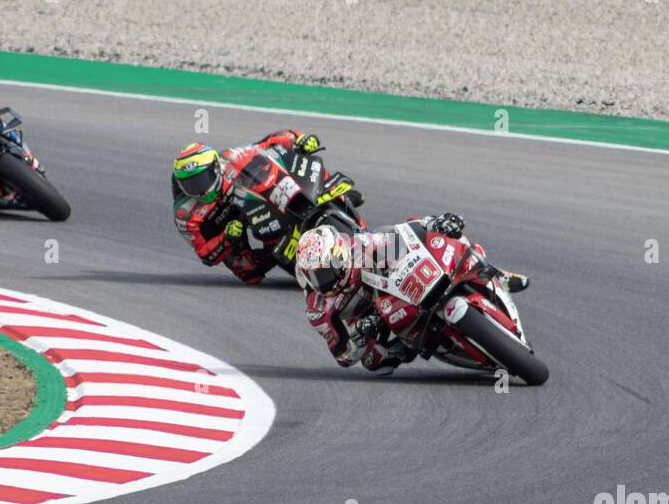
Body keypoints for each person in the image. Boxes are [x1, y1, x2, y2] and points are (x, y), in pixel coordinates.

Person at [295, 214, 529, 376]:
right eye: (315, 276)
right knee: (375, 363)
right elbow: (343, 356)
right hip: (380, 327)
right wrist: (359, 334)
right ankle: (419, 343)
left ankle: (496, 273)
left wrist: (435, 223)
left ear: (338, 254)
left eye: (325, 272)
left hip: (398, 287)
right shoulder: (318, 309)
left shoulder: (360, 246)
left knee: (449, 238)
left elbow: (405, 233)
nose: (322, 281)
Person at [171, 129, 322, 284]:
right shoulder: (186, 214)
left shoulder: (231, 158)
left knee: (278, 170)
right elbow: (204, 254)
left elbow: (269, 142)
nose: (198, 189)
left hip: (253, 201)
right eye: (189, 185)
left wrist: (298, 140)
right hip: (227, 227)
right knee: (247, 270)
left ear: (215, 168)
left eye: (201, 180)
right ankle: (279, 252)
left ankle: (317, 198)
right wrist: (226, 238)